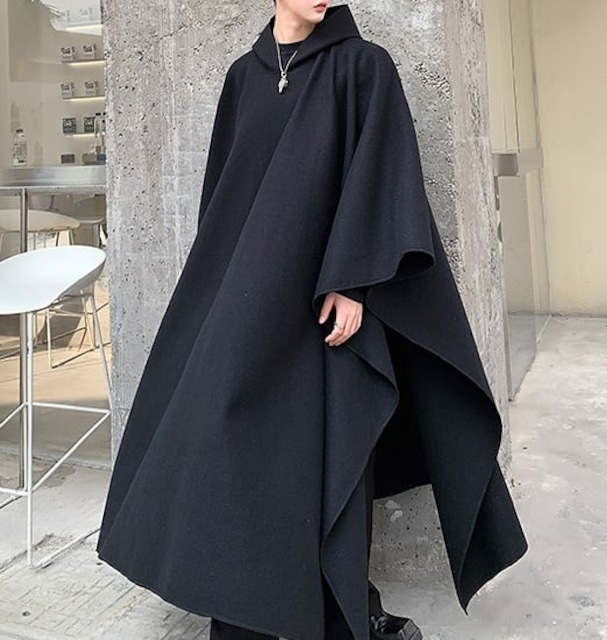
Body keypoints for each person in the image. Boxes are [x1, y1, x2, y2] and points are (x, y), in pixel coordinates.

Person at [97, 2, 528, 639]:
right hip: (250, 301)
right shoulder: (243, 77)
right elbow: (223, 196)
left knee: (329, 453)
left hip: (328, 307)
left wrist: (353, 283)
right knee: (236, 448)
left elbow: (384, 175)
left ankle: (343, 611)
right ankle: (242, 614)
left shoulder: (364, 67)